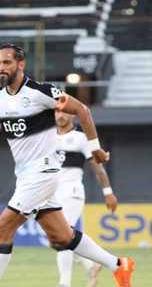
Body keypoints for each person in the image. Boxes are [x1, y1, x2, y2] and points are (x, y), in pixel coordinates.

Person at [0, 44, 134, 287]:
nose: (1, 67)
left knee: (3, 227)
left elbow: (82, 110)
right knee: (61, 236)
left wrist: (95, 148)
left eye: (7, 62)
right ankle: (119, 266)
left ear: (20, 64)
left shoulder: (41, 92)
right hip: (26, 176)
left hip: (44, 172)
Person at [54, 110, 118, 287]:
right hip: (51, 194)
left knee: (63, 234)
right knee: (57, 237)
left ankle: (64, 283)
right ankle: (89, 264)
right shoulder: (47, 137)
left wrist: (108, 192)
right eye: (57, 111)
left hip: (72, 192)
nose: (60, 115)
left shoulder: (80, 138)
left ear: (72, 115)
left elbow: (97, 167)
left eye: (64, 112)